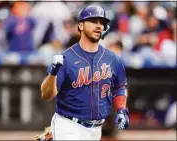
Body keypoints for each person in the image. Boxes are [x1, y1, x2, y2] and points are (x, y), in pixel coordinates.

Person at [40, 5, 129, 140]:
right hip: (68, 125)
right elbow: (46, 95)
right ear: (80, 25)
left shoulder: (113, 59)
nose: (98, 26)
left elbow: (120, 87)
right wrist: (53, 74)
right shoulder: (66, 58)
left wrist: (121, 109)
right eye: (93, 21)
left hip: (96, 130)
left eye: (101, 22)